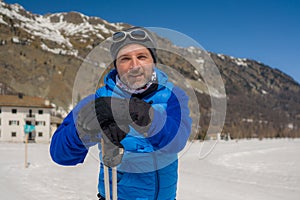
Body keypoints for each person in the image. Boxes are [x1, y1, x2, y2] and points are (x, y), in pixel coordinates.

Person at [50, 26, 192, 200]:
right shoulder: (99, 100)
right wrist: (82, 130)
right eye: (125, 59)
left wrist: (147, 116)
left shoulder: (173, 96)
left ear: (153, 62)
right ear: (116, 66)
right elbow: (60, 154)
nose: (134, 65)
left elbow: (177, 141)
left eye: (142, 56)